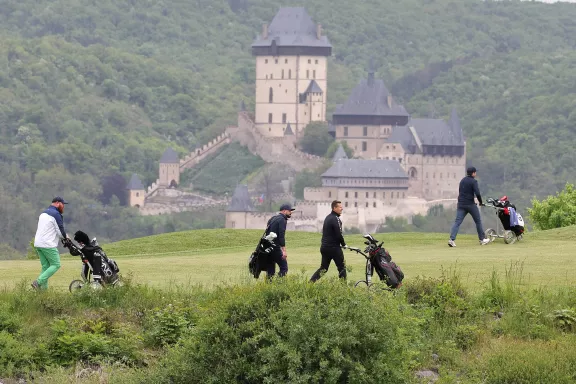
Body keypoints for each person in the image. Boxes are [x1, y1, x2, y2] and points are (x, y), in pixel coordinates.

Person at [31, 196, 69, 290]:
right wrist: (66, 237)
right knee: (56, 264)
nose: (63, 206)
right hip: (48, 244)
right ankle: (38, 282)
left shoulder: (43, 213)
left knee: (46, 267)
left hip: (38, 243)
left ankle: (43, 294)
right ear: (57, 203)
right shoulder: (56, 214)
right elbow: (60, 231)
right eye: (62, 204)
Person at [449, 167, 490, 247]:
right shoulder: (474, 181)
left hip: (461, 204)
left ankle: (451, 240)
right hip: (470, 204)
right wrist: (481, 202)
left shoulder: (462, 180)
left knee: (457, 222)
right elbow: (477, 193)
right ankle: (482, 239)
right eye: (475, 172)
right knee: (478, 221)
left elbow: (460, 192)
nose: (476, 174)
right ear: (473, 173)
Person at [310, 200, 347, 282]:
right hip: (334, 248)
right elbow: (339, 234)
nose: (342, 208)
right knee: (342, 268)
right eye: (340, 207)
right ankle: (344, 289)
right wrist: (344, 244)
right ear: (334, 208)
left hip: (324, 247)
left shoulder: (328, 217)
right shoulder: (335, 218)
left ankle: (310, 283)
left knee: (324, 268)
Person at [265, 203, 295, 278]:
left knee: (270, 270)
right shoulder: (282, 220)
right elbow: (281, 236)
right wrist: (284, 251)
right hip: (275, 248)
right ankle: (278, 285)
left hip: (267, 247)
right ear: (284, 211)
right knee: (284, 268)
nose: (291, 212)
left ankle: (269, 287)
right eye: (289, 211)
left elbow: (267, 232)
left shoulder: (273, 218)